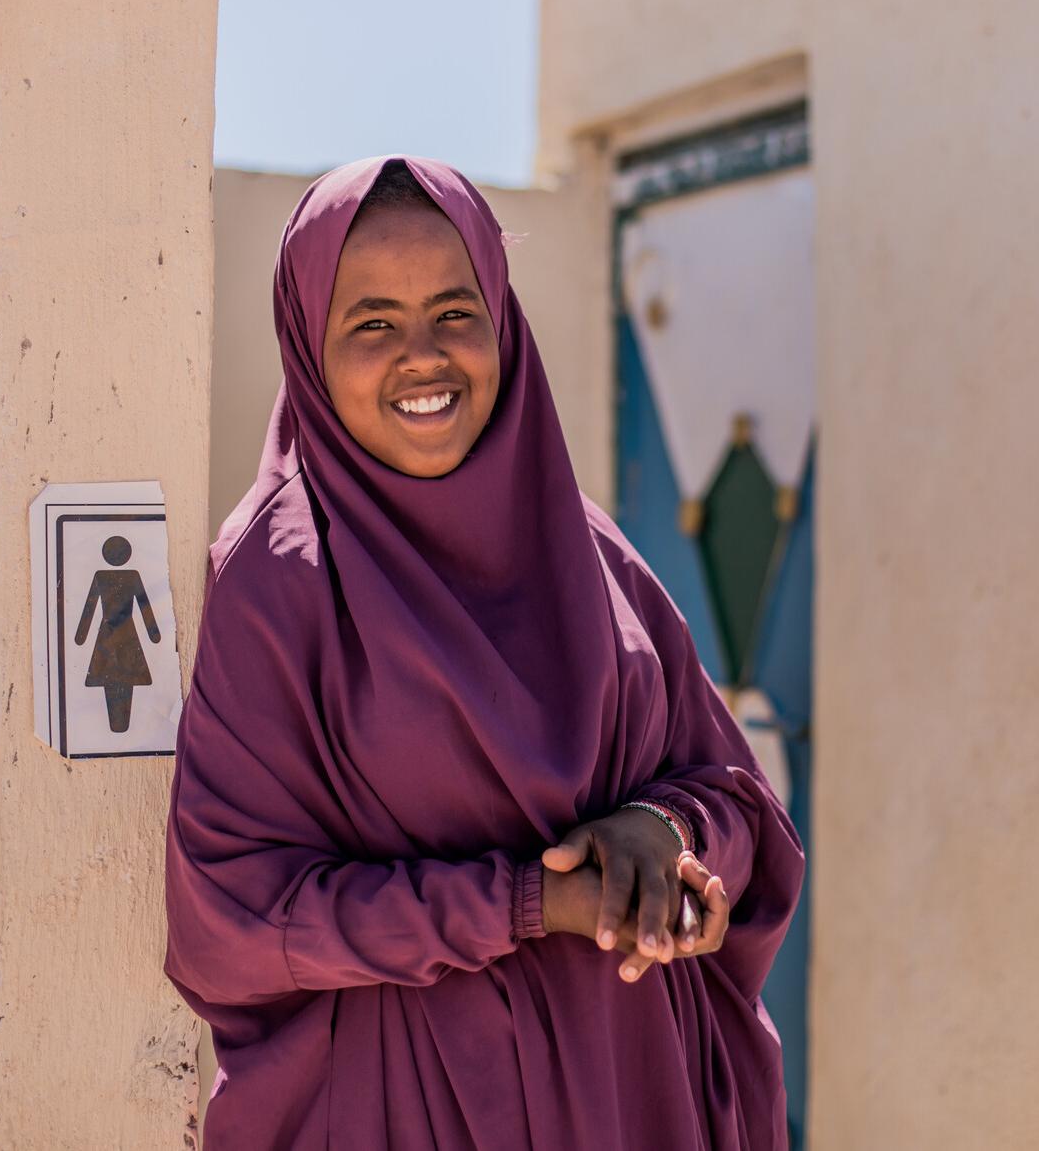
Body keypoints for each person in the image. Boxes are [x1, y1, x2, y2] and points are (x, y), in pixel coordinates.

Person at [162, 153, 805, 1149]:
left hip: (631, 1098)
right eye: (371, 322)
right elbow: (233, 917)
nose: (424, 355)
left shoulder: (586, 548)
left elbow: (735, 799)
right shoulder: (284, 576)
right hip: (396, 1110)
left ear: (501, 315)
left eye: (455, 311)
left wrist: (661, 836)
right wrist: (524, 901)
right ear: (309, 341)